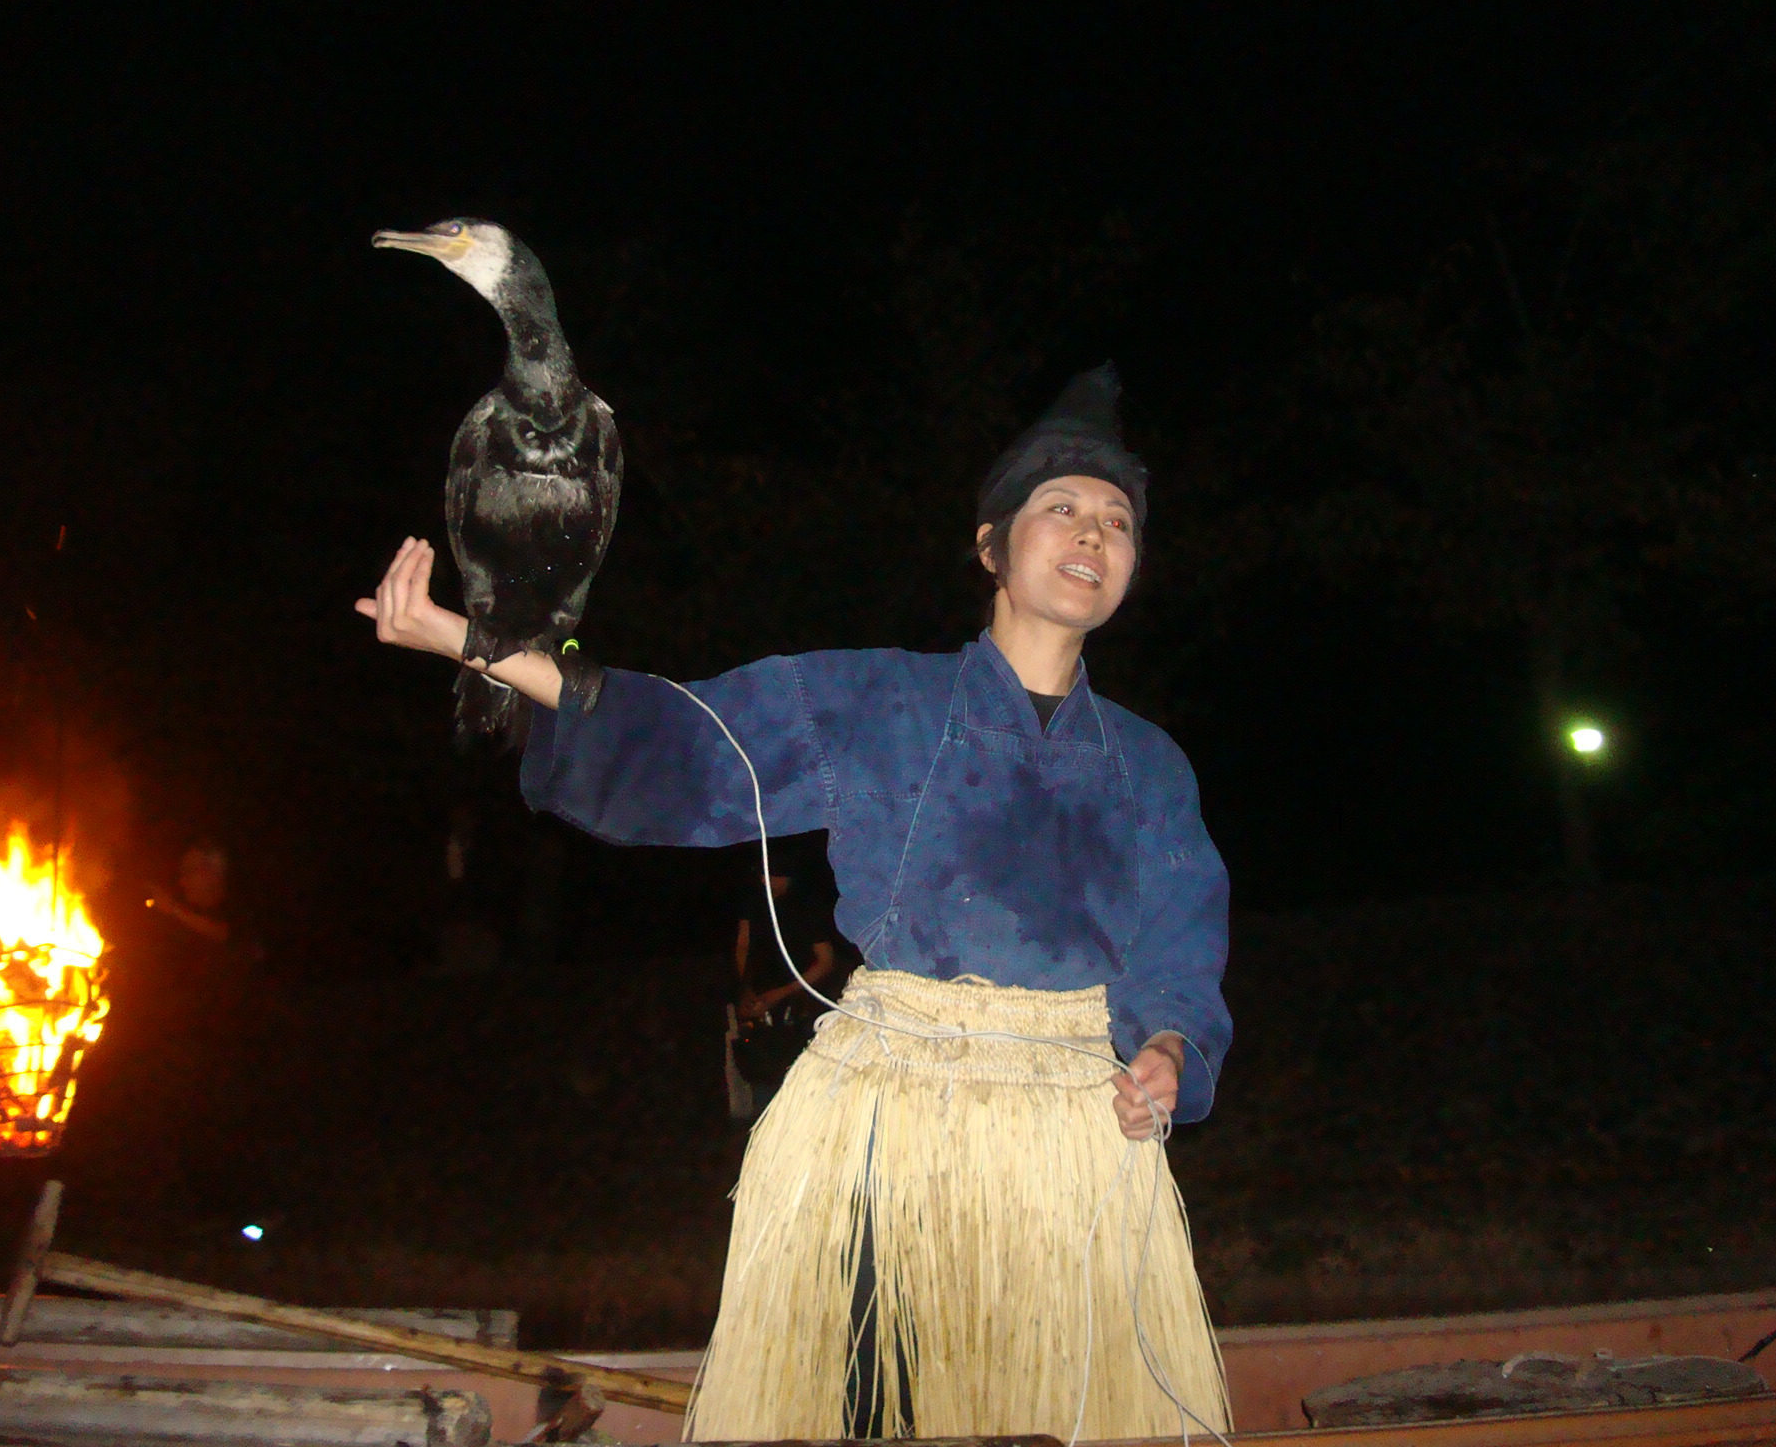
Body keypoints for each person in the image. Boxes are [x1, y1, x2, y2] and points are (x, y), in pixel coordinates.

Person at [358, 365, 1232, 1441]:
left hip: (1072, 1135)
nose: (1092, 532)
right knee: (877, 1411)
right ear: (991, 547)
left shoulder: (1151, 766)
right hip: (890, 1128)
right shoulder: (877, 699)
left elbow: (1179, 948)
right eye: (1061, 506)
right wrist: (471, 643)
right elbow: (687, 738)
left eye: (1116, 520)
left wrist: (1167, 1052)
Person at [730, 840, 852, 1113]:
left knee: (803, 1078)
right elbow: (743, 944)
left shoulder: (805, 905)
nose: (766, 880)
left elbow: (826, 962)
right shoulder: (754, 899)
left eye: (773, 875)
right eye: (762, 874)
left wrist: (784, 992)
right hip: (761, 997)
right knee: (761, 1070)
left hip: (803, 1001)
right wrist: (745, 988)